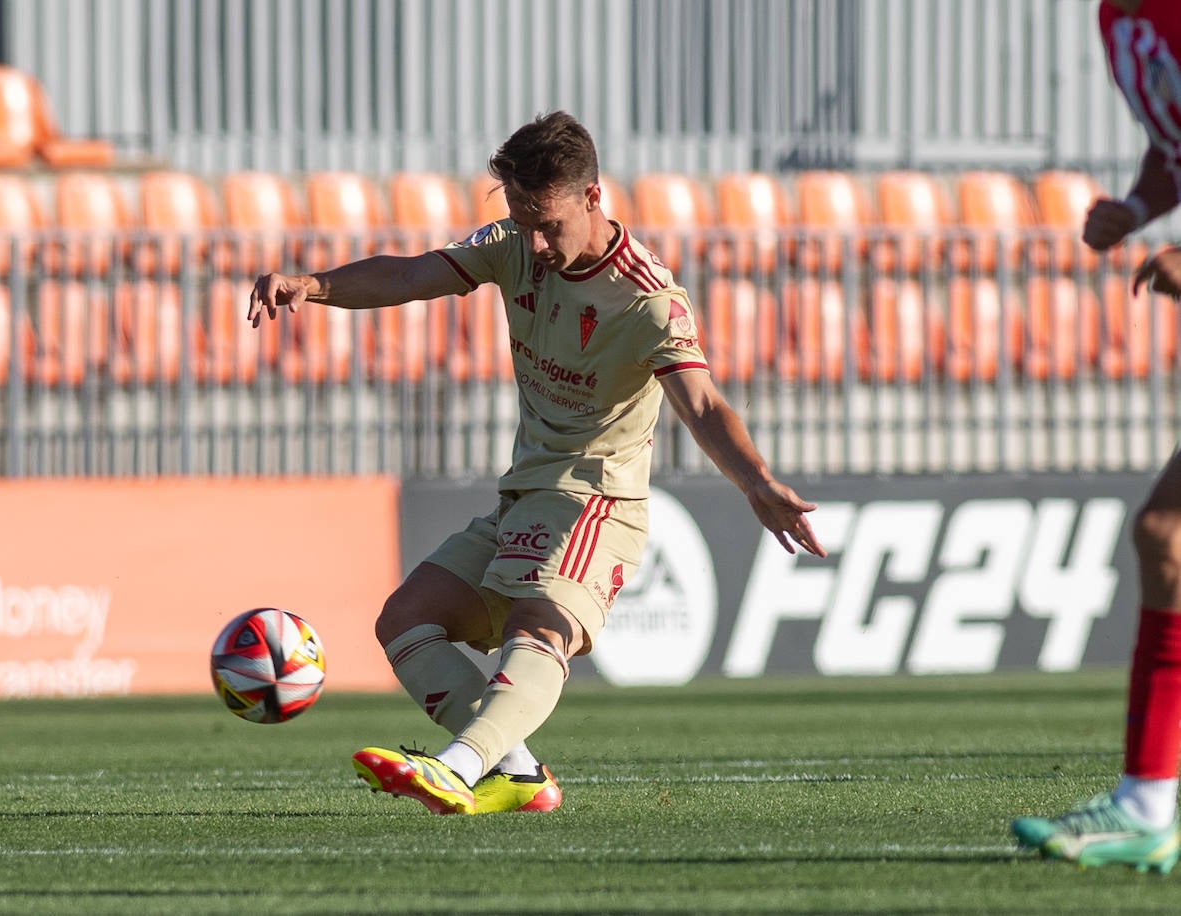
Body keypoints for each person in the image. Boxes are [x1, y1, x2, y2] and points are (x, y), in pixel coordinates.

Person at [247, 111, 826, 815]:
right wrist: (316, 285)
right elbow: (413, 273)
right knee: (406, 620)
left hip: (596, 501)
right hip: (525, 493)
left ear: (593, 197)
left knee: (536, 623)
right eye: (522, 220)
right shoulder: (510, 248)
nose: (534, 241)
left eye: (547, 222)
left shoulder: (647, 300)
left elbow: (702, 407)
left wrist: (756, 481)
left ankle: (459, 768)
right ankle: (516, 771)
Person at [1010, 0, 1181, 875]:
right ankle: (1148, 804)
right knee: (1166, 537)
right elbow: (1176, 145)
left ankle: (1149, 803)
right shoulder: (1121, 18)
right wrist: (1143, 204)